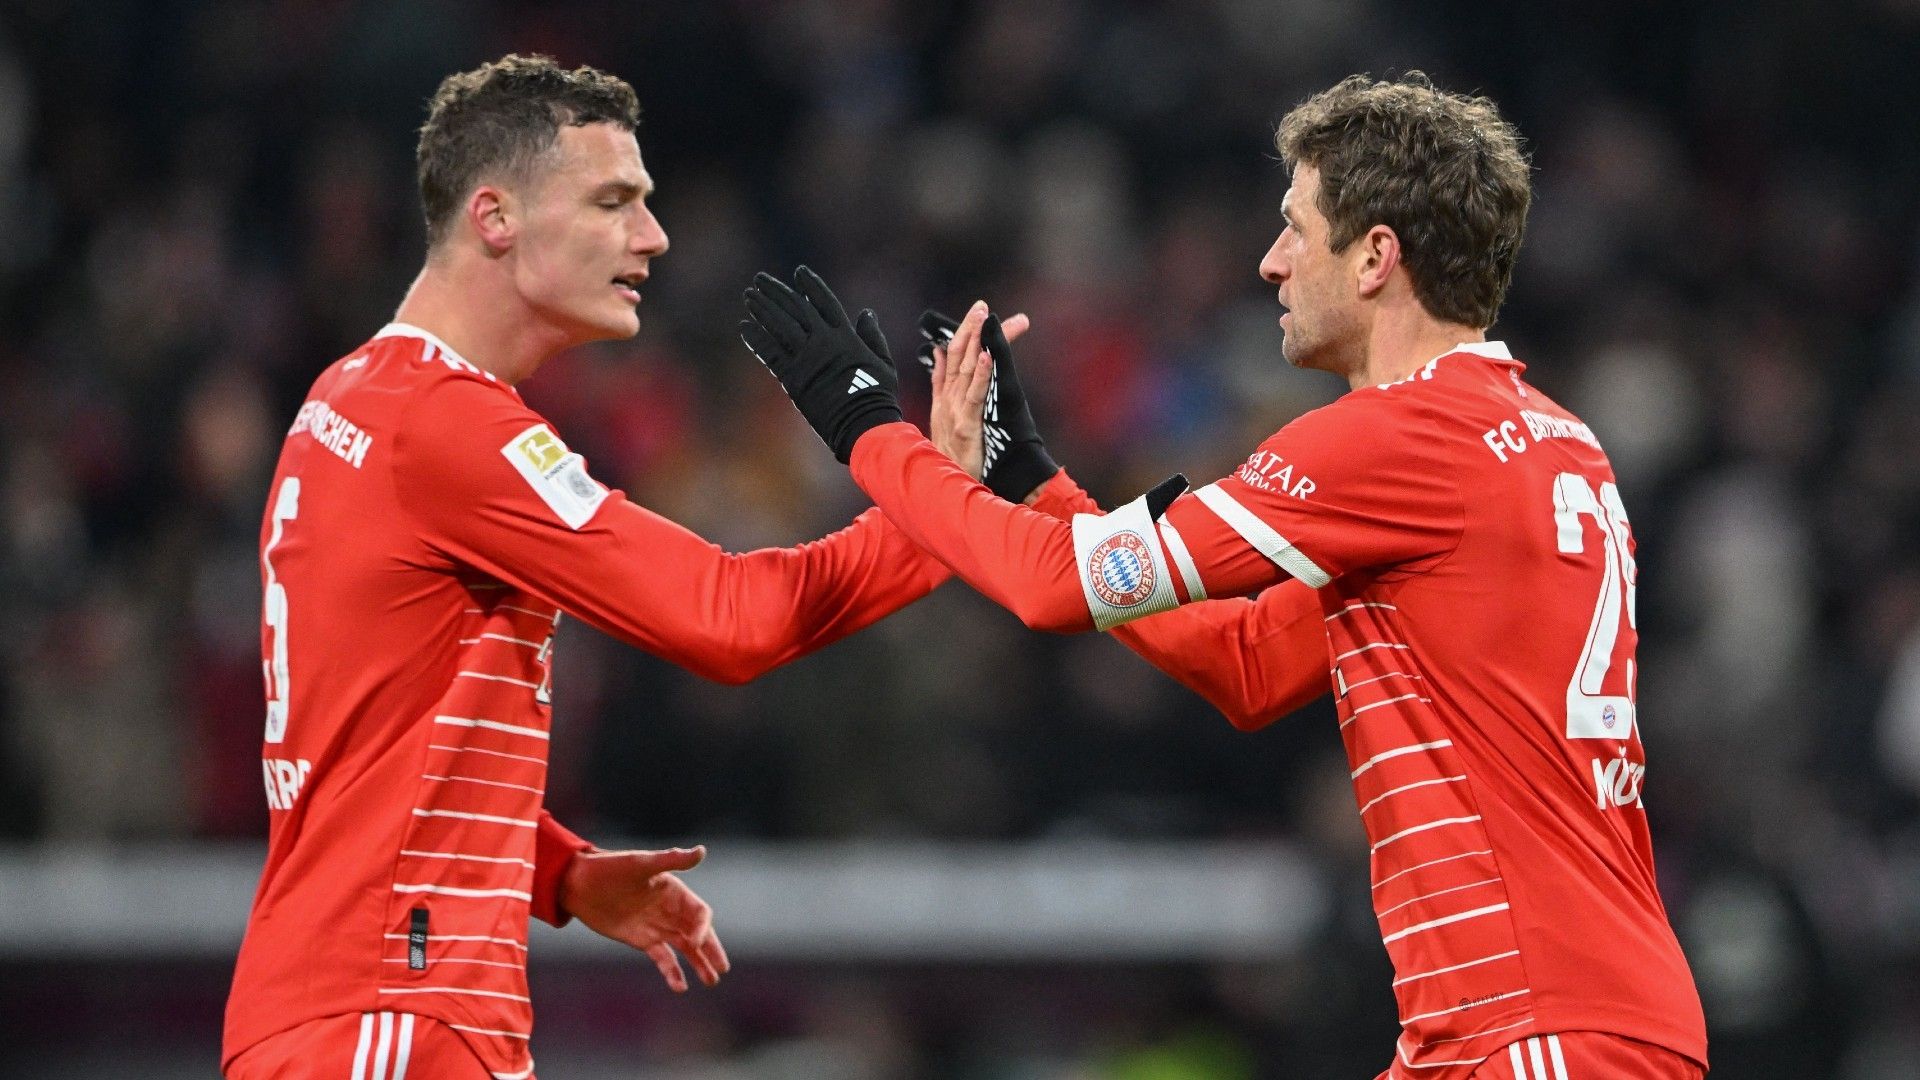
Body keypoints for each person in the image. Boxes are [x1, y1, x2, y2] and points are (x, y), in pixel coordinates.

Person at [741, 73, 1709, 1079]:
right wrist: (1030, 480)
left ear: (1376, 256)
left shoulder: (1399, 440)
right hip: (1533, 1016)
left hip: (1534, 1024)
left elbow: (1055, 589)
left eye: (1297, 227)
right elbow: (1252, 664)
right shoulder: (1547, 440)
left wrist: (868, 429)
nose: (1271, 261)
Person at [224, 55, 959, 1080]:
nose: (652, 236)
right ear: (495, 217)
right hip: (393, 1010)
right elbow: (732, 619)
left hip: (356, 1001)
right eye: (613, 202)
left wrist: (558, 870)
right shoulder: (444, 426)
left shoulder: (349, 400)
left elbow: (368, 748)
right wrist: (944, 502)